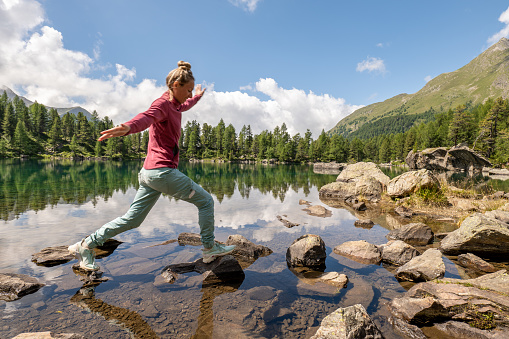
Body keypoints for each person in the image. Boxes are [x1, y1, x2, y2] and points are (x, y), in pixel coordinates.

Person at [68, 61, 235, 271]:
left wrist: (197, 97)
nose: (189, 94)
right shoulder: (163, 104)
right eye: (188, 90)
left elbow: (185, 105)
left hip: (149, 174)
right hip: (162, 172)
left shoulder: (175, 105)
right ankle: (210, 248)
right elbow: (147, 117)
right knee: (206, 201)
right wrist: (129, 127)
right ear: (175, 85)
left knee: (132, 219)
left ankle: (85, 245)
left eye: (191, 90)